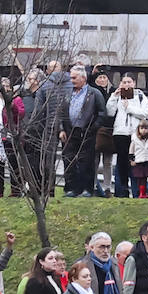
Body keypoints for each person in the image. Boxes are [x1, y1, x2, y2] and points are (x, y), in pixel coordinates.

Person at [61, 65, 105, 198]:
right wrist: (61, 129)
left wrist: (93, 128)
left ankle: (87, 189)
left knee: (86, 161)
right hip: (69, 132)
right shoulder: (67, 93)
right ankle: (72, 189)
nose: (71, 80)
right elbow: (60, 112)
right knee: (69, 160)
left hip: (87, 132)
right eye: (71, 78)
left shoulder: (94, 93)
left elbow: (102, 113)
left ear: (83, 78)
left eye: (74, 78)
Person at [129, 119, 148, 199]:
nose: (144, 130)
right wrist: (131, 159)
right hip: (139, 161)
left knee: (146, 177)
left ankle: (146, 192)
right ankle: (142, 193)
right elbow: (131, 150)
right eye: (142, 128)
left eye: (145, 128)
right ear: (138, 129)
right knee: (140, 178)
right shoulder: (134, 139)